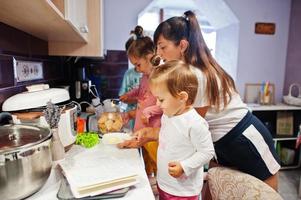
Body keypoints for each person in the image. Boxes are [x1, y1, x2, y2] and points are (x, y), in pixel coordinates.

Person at [132, 10, 281, 191]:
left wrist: (150, 133)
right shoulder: (186, 72)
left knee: (267, 188)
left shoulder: (197, 75)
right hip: (220, 140)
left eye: (163, 47)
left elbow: (187, 124)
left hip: (243, 135)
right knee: (217, 186)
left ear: (183, 45)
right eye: (157, 48)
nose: (159, 53)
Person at [148, 60, 215, 200]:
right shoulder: (168, 115)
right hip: (165, 183)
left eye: (161, 100)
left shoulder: (195, 123)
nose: (157, 104)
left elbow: (207, 152)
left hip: (183, 191)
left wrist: (184, 166)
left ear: (182, 97)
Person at [118, 26, 162, 175]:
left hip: (153, 130)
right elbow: (140, 89)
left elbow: (163, 104)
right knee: (145, 164)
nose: (137, 69)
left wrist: (149, 111)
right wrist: (129, 95)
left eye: (138, 64)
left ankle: (157, 185)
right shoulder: (144, 76)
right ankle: (149, 181)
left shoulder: (159, 77)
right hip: (140, 128)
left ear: (150, 57)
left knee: (157, 163)